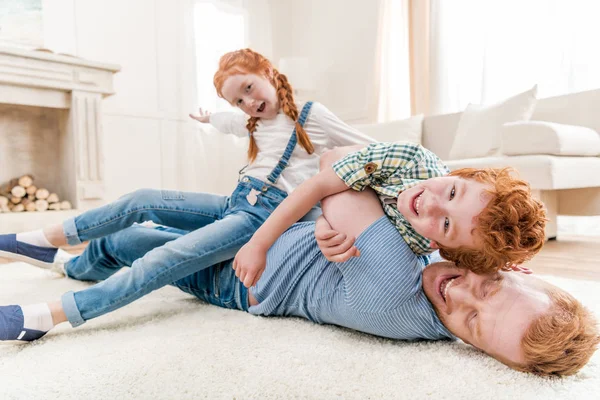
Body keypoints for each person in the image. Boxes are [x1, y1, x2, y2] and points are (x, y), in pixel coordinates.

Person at [1, 186, 597, 377]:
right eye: (487, 289)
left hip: (242, 270)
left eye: (472, 325)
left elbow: (347, 187)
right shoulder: (436, 267)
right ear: (514, 269)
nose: (459, 295)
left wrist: (352, 223)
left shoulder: (396, 291)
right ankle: (58, 253)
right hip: (269, 220)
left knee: (142, 244)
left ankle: (57, 292)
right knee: (145, 209)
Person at [0, 48, 376, 340]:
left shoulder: (311, 116)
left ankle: (47, 316)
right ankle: (46, 243)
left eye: (249, 88)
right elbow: (225, 120)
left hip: (262, 217)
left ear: (268, 72)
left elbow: (369, 149)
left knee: (164, 257)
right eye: (238, 101)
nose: (249, 103)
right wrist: (208, 118)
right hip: (237, 203)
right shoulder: (251, 120)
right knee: (142, 199)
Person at [233, 143, 547, 287]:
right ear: (462, 174)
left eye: (447, 223)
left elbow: (463, 261)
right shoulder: (412, 161)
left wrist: (500, 266)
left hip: (348, 193)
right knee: (333, 162)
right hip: (316, 174)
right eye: (452, 191)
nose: (433, 205)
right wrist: (258, 245)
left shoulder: (430, 244)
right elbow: (316, 187)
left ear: (442, 244)